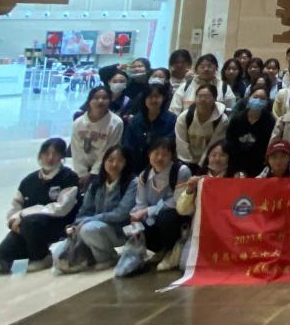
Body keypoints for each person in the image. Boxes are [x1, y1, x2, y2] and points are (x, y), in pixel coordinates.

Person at [0, 138, 80, 274]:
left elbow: (62, 208)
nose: (50, 158)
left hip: (58, 224)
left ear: (62, 157)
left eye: (55, 154)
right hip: (27, 227)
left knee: (31, 222)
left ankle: (42, 257)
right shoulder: (28, 181)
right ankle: (9, 256)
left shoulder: (69, 177)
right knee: (1, 257)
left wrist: (24, 214)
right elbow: (16, 206)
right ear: (40, 155)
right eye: (46, 153)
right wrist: (12, 221)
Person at [62, 144, 136, 271]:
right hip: (95, 226)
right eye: (110, 160)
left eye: (120, 160)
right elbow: (85, 210)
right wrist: (75, 225)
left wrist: (89, 220)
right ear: (104, 161)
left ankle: (106, 257)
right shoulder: (96, 184)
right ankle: (90, 256)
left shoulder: (132, 183)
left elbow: (121, 214)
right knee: (60, 256)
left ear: (126, 163)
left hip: (120, 231)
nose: (114, 164)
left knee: (88, 229)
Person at [130, 137, 193, 272]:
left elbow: (177, 202)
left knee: (166, 217)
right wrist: (137, 217)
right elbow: (140, 203)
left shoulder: (181, 171)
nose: (160, 158)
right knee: (135, 222)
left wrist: (147, 211)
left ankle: (171, 250)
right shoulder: (144, 175)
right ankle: (159, 250)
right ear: (149, 154)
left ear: (172, 155)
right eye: (156, 153)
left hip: (176, 217)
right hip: (154, 218)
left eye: (165, 154)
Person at [71, 86, 124, 187]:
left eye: (105, 98)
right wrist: (82, 173)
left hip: (104, 168)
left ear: (110, 100)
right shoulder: (78, 123)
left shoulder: (116, 123)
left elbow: (109, 150)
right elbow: (76, 149)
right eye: (96, 98)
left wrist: (93, 173)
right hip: (81, 170)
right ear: (89, 101)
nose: (100, 101)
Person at [175, 83, 227, 170]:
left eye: (207, 97)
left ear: (215, 99)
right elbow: (181, 143)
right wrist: (188, 164)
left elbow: (214, 145)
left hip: (209, 162)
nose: (203, 100)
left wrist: (202, 165)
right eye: (199, 96)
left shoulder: (222, 120)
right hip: (187, 161)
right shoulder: (184, 117)